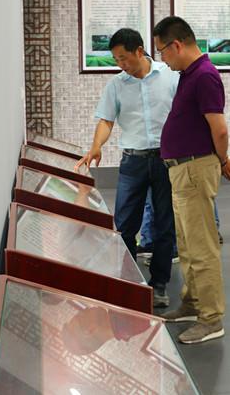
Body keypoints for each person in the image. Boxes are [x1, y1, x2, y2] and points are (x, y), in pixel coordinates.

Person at [74, 27, 177, 309]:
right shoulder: (117, 85)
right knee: (124, 225)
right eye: (116, 59)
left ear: (139, 51)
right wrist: (96, 146)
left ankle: (159, 284)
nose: (121, 64)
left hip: (166, 160)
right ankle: (129, 282)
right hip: (133, 161)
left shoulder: (169, 76)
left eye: (124, 58)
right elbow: (106, 120)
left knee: (165, 225)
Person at [152, 16, 230, 344]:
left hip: (194, 168)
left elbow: (219, 129)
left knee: (202, 246)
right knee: (187, 245)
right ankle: (192, 303)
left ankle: (211, 317)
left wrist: (223, 160)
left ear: (176, 45)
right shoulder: (189, 74)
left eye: (162, 51)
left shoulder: (204, 76)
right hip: (182, 169)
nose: (163, 59)